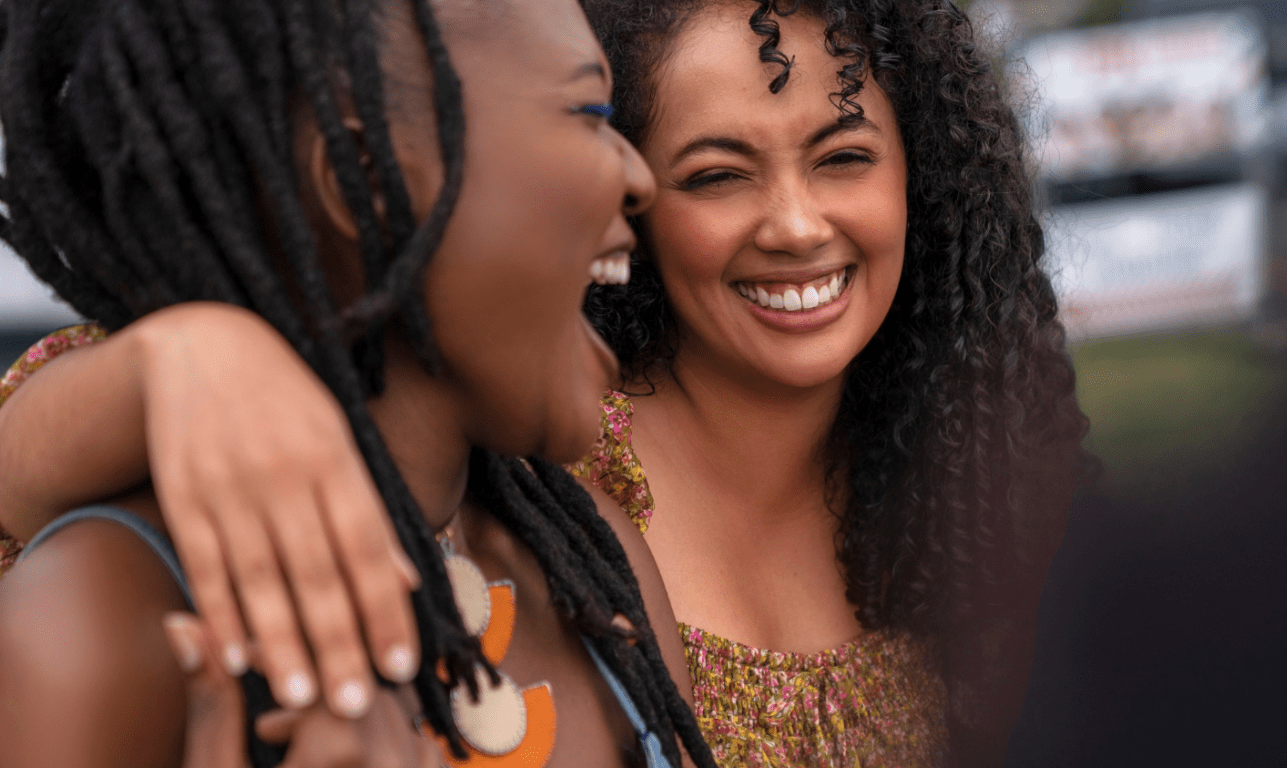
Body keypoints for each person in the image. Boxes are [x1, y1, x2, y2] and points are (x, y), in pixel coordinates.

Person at [0, 0, 1089, 765]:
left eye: (844, 156)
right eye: (711, 171)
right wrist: (181, 355)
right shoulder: (567, 450)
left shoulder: (587, 557)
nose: (796, 223)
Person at [0, 0, 714, 766]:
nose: (640, 176)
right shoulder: (99, 622)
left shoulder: (591, 563)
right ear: (368, 182)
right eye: (587, 111)